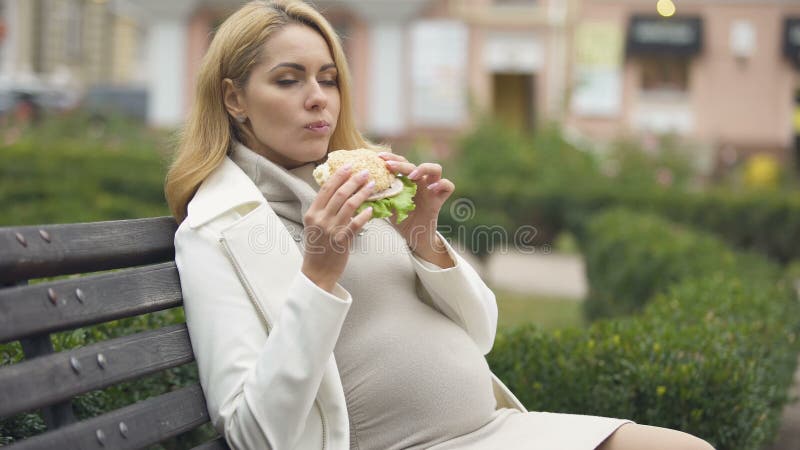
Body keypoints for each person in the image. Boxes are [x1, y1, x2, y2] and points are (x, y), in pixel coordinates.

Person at [164, 1, 715, 449]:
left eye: (329, 79)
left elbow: (482, 333)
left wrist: (424, 240)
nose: (318, 98)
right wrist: (318, 276)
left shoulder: (370, 188)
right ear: (234, 98)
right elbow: (253, 434)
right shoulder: (214, 230)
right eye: (288, 80)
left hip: (495, 430)